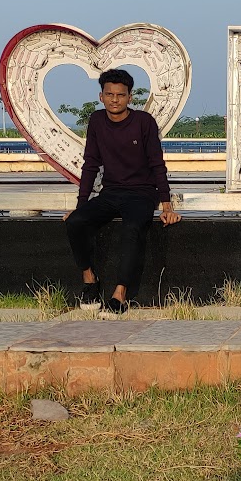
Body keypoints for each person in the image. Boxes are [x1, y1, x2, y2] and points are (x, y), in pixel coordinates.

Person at [63, 68, 181, 318]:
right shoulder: (96, 121)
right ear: (101, 96)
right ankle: (89, 281)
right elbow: (91, 164)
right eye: (109, 94)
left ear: (130, 97)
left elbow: (157, 164)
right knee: (75, 222)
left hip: (141, 194)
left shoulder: (144, 122)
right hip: (111, 193)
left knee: (131, 230)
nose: (115, 99)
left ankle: (119, 295)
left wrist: (166, 205)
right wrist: (81, 204)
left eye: (120, 94)